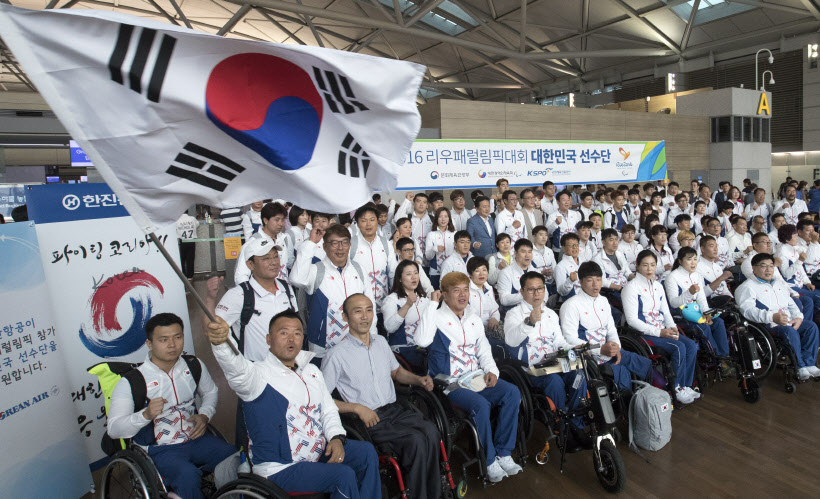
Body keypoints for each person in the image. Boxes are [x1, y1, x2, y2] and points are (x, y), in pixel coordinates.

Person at [207, 310, 380, 498]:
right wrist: (221, 344)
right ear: (268, 339)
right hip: (280, 468)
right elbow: (235, 369)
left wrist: (337, 438)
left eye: (297, 333)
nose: (292, 339)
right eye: (284, 333)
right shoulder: (256, 375)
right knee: (343, 476)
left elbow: (328, 410)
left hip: (316, 452)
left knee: (366, 453)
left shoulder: (312, 371)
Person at [323, 294, 442, 499]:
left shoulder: (380, 342)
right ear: (345, 316)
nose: (365, 316)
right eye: (357, 311)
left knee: (431, 431)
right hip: (370, 420)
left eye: (369, 310)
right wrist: (357, 408)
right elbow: (322, 400)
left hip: (395, 410)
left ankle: (434, 493)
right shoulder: (336, 355)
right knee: (415, 441)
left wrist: (418, 379)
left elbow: (396, 372)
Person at [108, 313, 235, 499]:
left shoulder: (193, 365)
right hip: (159, 449)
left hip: (196, 438)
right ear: (149, 344)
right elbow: (113, 429)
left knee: (233, 456)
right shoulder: (133, 381)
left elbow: (210, 392)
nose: (172, 345)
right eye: (163, 339)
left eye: (178, 337)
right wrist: (145, 415)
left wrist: (205, 415)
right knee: (188, 476)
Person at [414, 272, 523, 483]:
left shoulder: (473, 318)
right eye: (456, 291)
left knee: (512, 392)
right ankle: (489, 460)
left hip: (476, 377)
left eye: (465, 290)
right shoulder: (435, 317)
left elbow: (484, 351)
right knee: (481, 405)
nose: (463, 295)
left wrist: (492, 371)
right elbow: (422, 340)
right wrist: (430, 305)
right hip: (449, 382)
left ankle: (504, 453)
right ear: (444, 295)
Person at [504, 272, 587, 432]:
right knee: (554, 381)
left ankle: (576, 420)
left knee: (579, 374)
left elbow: (558, 342)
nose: (537, 294)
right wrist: (529, 322)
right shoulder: (513, 314)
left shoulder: (550, 314)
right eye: (531, 290)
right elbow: (510, 341)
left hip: (554, 362)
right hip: (531, 368)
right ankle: (560, 423)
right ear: (522, 292)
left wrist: (572, 347)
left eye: (540, 289)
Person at [560, 262, 653, 394]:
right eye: (590, 280)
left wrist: (617, 348)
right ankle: (625, 408)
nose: (595, 284)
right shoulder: (571, 305)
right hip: (589, 357)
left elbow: (611, 329)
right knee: (621, 372)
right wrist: (600, 349)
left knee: (644, 363)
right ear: (580, 282)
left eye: (598, 280)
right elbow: (569, 339)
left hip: (610, 351)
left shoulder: (603, 300)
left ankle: (652, 400)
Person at [290, 224, 377, 363]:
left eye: (344, 242)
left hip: (356, 345)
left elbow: (370, 305)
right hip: (323, 349)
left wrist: (372, 338)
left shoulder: (359, 269)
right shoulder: (315, 271)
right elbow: (296, 279)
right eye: (334, 243)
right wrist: (311, 243)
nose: (340, 248)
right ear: (325, 247)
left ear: (350, 245)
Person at [622, 250, 700, 404]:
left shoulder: (657, 285)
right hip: (644, 334)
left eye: (652, 265)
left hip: (661, 330)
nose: (649, 269)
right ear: (637, 267)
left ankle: (685, 385)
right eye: (645, 265)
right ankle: (675, 388)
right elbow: (632, 320)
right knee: (679, 347)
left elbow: (665, 311)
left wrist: (672, 327)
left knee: (690, 345)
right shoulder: (631, 288)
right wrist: (659, 332)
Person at [210, 238, 298, 361]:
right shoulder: (238, 295)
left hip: (287, 366)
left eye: (275, 256)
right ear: (250, 265)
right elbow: (213, 326)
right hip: (257, 371)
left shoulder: (286, 287)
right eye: (266, 258)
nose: (274, 262)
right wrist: (209, 298)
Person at [736, 253, 820, 381]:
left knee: (811, 327)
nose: (769, 269)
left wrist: (798, 317)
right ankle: (800, 366)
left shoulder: (778, 284)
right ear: (753, 268)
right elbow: (748, 311)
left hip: (787, 320)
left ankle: (809, 363)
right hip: (768, 324)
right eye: (764, 266)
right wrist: (772, 317)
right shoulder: (746, 287)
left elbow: (791, 303)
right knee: (789, 331)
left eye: (771, 266)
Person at [665, 248, 735, 377]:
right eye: (689, 259)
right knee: (703, 327)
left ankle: (725, 356)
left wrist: (706, 313)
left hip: (696, 311)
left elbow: (702, 297)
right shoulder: (672, 277)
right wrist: (689, 293)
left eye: (695, 259)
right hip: (681, 315)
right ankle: (717, 358)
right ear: (680, 261)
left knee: (718, 322)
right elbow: (674, 302)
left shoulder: (696, 275)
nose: (693, 263)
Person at [383, 260, 441, 367]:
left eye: (416, 273)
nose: (414, 277)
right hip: (404, 349)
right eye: (409, 274)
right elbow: (389, 327)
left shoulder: (423, 298)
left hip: (424, 347)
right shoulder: (392, 300)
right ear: (400, 279)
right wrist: (407, 305)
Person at [349, 204, 394, 311]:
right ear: (358, 223)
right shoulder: (351, 245)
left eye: (372, 219)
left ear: (377, 221)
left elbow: (393, 272)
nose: (368, 224)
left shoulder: (385, 244)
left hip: (384, 306)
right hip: (359, 307)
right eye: (364, 220)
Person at [235, 202, 290, 285]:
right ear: (265, 220)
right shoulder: (252, 243)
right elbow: (241, 277)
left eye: (282, 220)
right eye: (277, 220)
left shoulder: (284, 239)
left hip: (282, 291)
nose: (281, 224)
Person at [777, 224, 820, 313]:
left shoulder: (794, 248)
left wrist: (807, 282)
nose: (797, 238)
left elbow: (800, 270)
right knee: (817, 296)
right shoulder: (781, 252)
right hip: (792, 287)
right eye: (795, 236)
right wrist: (800, 260)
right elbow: (786, 274)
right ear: (787, 239)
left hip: (801, 285)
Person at [394, 192, 433, 267]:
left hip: (430, 263)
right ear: (413, 203)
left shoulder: (432, 220)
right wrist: (407, 200)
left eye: (424, 202)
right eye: (419, 201)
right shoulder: (409, 218)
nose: (421, 204)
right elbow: (397, 219)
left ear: (427, 205)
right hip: (412, 262)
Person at [497, 238, 536, 310]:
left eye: (529, 252)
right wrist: (526, 295)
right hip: (515, 314)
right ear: (515, 253)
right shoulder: (505, 273)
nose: (527, 255)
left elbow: (545, 295)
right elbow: (503, 299)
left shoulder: (536, 272)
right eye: (523, 252)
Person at [697, 235, 734, 308]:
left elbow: (724, 288)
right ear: (702, 249)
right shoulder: (697, 267)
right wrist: (720, 279)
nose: (715, 249)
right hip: (709, 304)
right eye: (711, 246)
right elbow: (701, 294)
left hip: (724, 302)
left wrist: (732, 299)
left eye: (716, 246)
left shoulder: (717, 267)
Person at [467, 257, 501, 330]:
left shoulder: (489, 288)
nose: (481, 274)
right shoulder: (466, 290)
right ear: (470, 274)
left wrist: (494, 318)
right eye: (477, 271)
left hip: (490, 327)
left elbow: (494, 309)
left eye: (484, 270)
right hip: (473, 328)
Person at [426, 207, 456, 289]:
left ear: (449, 219)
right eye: (440, 216)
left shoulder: (454, 234)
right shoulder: (431, 234)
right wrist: (435, 249)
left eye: (446, 216)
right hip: (436, 272)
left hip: (452, 270)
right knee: (437, 296)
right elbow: (428, 256)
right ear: (436, 219)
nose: (443, 219)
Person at [555, 232, 583, 300]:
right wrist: (570, 281)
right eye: (571, 245)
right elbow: (561, 291)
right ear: (564, 248)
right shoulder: (560, 267)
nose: (574, 248)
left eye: (576, 245)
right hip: (573, 301)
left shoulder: (584, 262)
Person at [530, 225, 556, 293]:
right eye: (541, 235)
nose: (544, 237)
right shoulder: (530, 251)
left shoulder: (549, 251)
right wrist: (542, 272)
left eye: (546, 235)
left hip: (551, 282)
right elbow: (528, 269)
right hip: (536, 284)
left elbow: (554, 266)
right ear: (534, 236)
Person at [176, 212, 198, 280]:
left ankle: (183, 275)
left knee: (181, 259)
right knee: (190, 259)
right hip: (191, 241)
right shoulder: (192, 219)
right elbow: (197, 224)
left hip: (181, 241)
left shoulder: (177, 220)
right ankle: (190, 276)